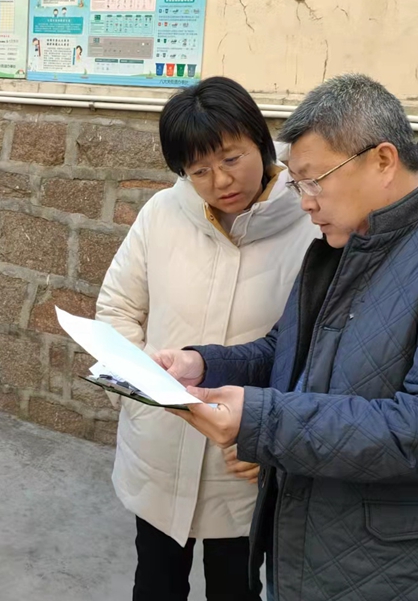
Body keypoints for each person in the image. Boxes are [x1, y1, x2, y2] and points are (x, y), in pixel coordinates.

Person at [154, 74, 418, 600]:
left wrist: (260, 419)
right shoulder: (342, 243)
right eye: (297, 184)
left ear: (383, 160)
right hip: (306, 547)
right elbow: (285, 353)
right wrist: (203, 364)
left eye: (314, 181)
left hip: (400, 569)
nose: (305, 203)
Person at [96, 77, 318, 601]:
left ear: (261, 142)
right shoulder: (161, 214)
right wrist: (144, 392)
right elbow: (117, 309)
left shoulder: (311, 225)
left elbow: (316, 351)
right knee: (155, 583)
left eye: (232, 158)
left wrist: (276, 435)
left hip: (244, 459)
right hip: (160, 445)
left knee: (235, 587)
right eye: (198, 170)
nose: (220, 180)